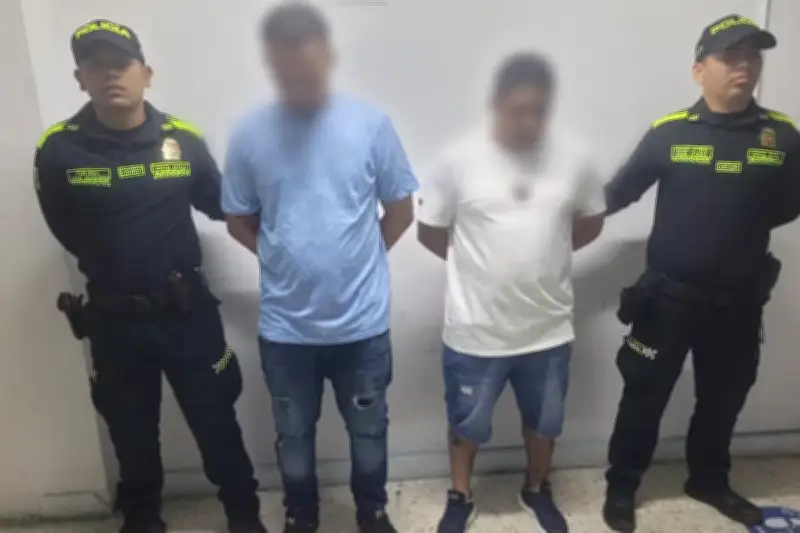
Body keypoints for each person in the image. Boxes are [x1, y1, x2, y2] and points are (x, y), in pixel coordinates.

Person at [33, 19, 267, 533]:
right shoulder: (58, 149)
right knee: (130, 434)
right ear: (80, 79)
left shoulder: (182, 139)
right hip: (113, 321)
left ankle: (244, 516)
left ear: (146, 73)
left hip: (187, 316)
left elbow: (224, 206)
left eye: (121, 64)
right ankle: (141, 520)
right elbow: (64, 226)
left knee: (216, 422)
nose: (110, 75)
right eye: (96, 65)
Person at [220, 3, 418, 533]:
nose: (300, 78)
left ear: (328, 56)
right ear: (271, 63)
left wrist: (360, 259)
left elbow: (401, 211)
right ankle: (300, 514)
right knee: (293, 435)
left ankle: (372, 511)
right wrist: (281, 259)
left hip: (362, 326)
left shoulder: (371, 125)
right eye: (287, 67)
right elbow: (238, 220)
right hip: (287, 329)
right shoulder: (249, 134)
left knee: (369, 430)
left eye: (308, 65)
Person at [601, 14, 800, 533]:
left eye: (752, 56)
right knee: (643, 395)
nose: (744, 66)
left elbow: (788, 205)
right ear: (698, 70)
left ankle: (708, 481)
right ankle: (622, 485)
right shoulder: (670, 133)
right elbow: (616, 194)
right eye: (730, 57)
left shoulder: (781, 136)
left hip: (738, 302)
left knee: (723, 398)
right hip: (667, 301)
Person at [417, 52, 605, 533]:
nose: (528, 122)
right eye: (518, 110)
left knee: (545, 422)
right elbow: (430, 231)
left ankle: (537, 488)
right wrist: (480, 269)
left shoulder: (575, 159)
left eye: (538, 111)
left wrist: (542, 260)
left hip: (547, 328)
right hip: (476, 329)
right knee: (467, 423)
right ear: (495, 105)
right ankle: (461, 495)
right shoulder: (457, 160)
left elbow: (590, 221)